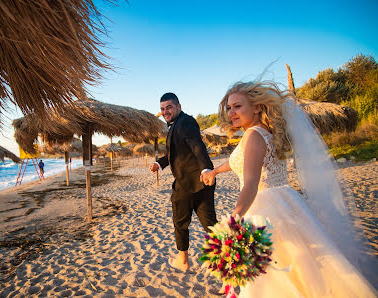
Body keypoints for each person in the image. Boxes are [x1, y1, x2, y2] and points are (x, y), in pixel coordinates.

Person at [201, 79, 377, 297]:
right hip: (285, 201)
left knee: (271, 278)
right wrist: (215, 171)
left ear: (257, 107)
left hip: (263, 208)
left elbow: (251, 183)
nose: (231, 113)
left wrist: (234, 219)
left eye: (238, 106)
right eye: (229, 107)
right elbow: (241, 162)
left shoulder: (253, 135)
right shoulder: (264, 132)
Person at [149, 92, 218, 272]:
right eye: (162, 109)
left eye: (169, 107)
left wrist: (205, 168)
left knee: (180, 224)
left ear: (179, 106)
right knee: (211, 226)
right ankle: (223, 262)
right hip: (202, 183)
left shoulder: (185, 122)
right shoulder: (176, 125)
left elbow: (197, 145)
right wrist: (160, 163)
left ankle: (184, 262)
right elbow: (177, 154)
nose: (165, 111)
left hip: (189, 183)